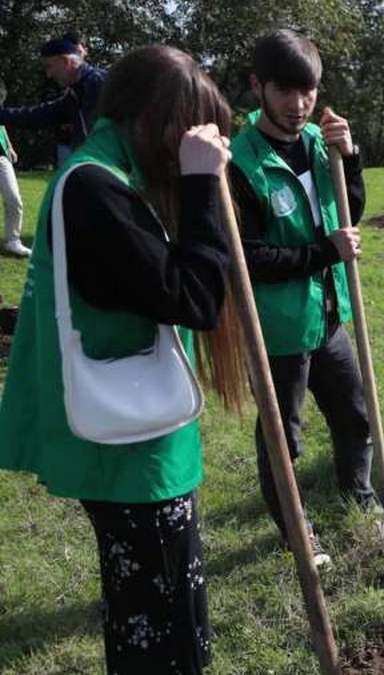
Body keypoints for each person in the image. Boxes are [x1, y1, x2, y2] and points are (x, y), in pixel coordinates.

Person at [0, 45, 243, 674]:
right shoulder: (94, 189)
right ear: (153, 117)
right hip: (127, 439)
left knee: (160, 597)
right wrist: (197, 185)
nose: (190, 144)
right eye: (186, 130)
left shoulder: (113, 172)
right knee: (157, 609)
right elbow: (193, 298)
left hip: (137, 427)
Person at [229, 29, 375, 566]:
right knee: (282, 442)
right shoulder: (238, 163)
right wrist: (323, 253)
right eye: (285, 91)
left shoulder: (318, 143)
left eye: (308, 91)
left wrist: (350, 156)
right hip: (278, 329)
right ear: (257, 88)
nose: (299, 105)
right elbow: (245, 259)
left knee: (356, 416)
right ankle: (298, 533)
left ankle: (359, 496)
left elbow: (349, 212)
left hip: (329, 315)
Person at [0, 33, 107, 150]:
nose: (48, 75)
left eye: (49, 66)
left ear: (66, 61)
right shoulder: (75, 94)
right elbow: (38, 115)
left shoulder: (100, 84)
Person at [0, 109, 28, 256]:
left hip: (1, 157)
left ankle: (13, 241)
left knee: (14, 199)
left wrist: (9, 146)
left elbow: (1, 123)